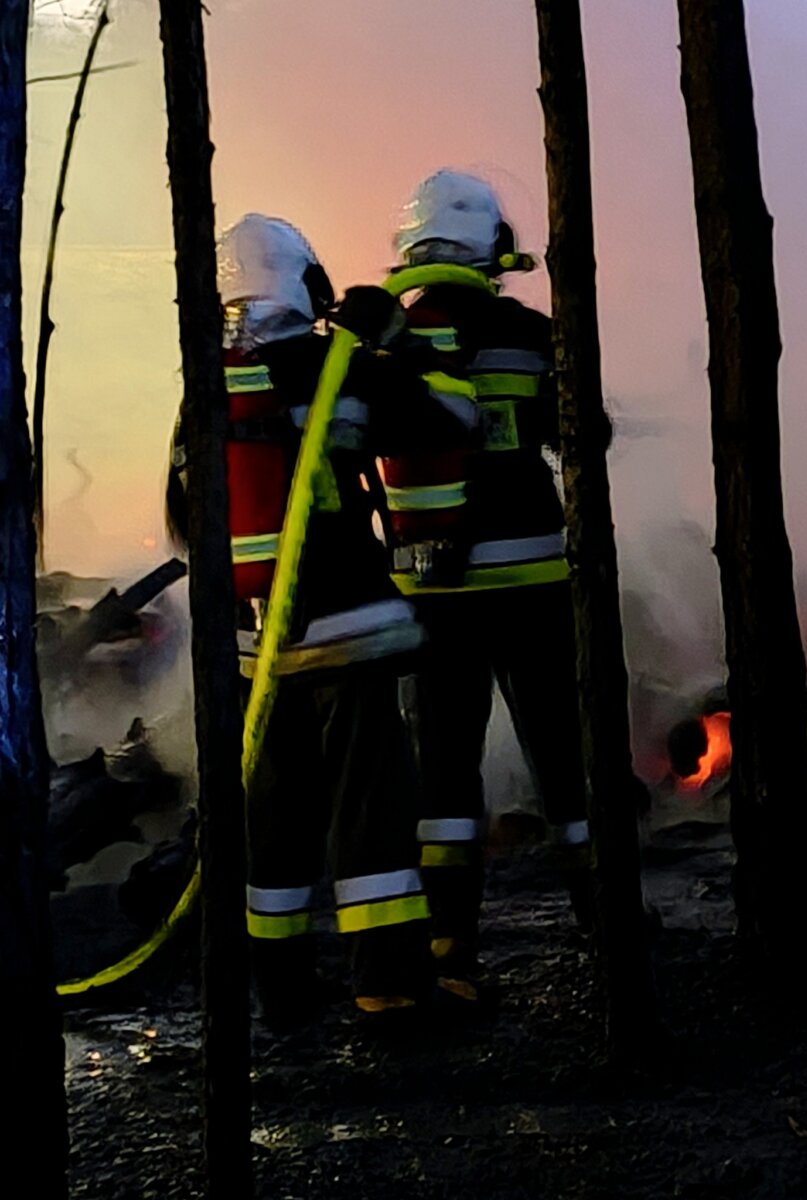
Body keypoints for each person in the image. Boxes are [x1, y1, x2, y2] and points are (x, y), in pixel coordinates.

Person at [167, 213, 442, 1027]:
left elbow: (182, 522)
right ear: (304, 284)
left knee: (274, 816)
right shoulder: (333, 364)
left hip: (258, 648)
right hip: (349, 630)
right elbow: (442, 422)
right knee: (370, 806)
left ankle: (281, 989)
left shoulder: (203, 387)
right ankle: (389, 982)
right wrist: (395, 341)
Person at [378, 171, 593, 1003]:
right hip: (533, 584)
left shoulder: (384, 344)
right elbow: (585, 434)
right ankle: (600, 912)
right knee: (564, 759)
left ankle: (450, 943)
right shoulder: (530, 334)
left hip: (432, 599)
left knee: (443, 775)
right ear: (492, 247)